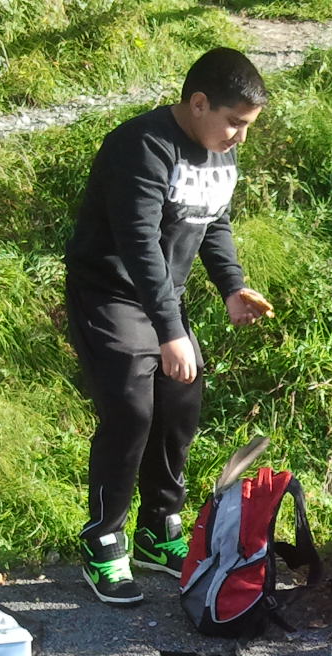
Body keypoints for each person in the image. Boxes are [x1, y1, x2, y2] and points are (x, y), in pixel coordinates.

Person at [64, 47, 274, 604]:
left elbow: (213, 220)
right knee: (131, 409)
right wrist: (169, 331)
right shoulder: (140, 147)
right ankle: (103, 539)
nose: (240, 137)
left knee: (181, 402)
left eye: (247, 126)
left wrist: (231, 286)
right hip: (109, 293)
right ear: (198, 103)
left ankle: (158, 531)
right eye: (234, 122)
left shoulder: (218, 151)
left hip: (162, 298)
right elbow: (139, 246)